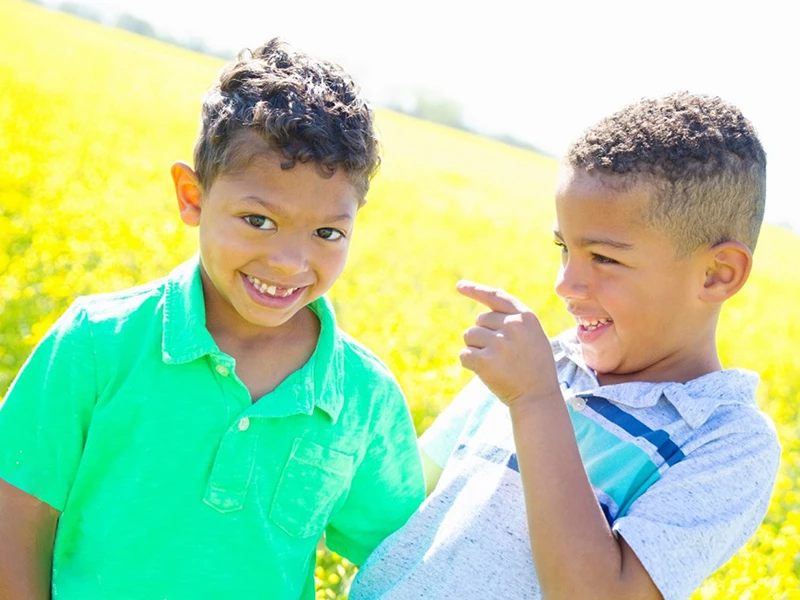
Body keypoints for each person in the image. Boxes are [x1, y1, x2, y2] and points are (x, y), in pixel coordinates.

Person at [0, 38, 425, 599]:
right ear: (192, 196)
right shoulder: (97, 343)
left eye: (327, 233)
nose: (290, 263)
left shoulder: (364, 399)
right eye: (258, 219)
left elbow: (405, 563)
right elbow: (17, 521)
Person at [349, 91, 781, 600]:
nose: (565, 285)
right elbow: (398, 506)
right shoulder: (542, 361)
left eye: (604, 258)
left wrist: (535, 400)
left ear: (716, 274)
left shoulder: (725, 440)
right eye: (565, 249)